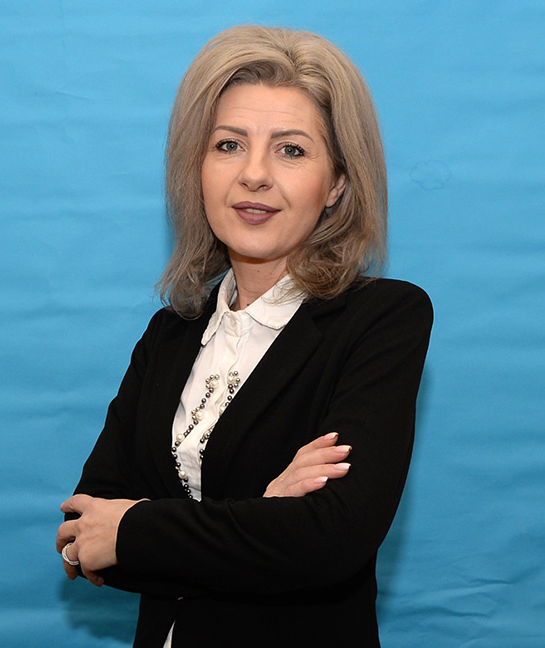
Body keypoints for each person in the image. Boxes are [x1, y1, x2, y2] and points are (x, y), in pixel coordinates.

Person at [56, 25, 433, 648]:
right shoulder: (170, 334)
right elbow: (83, 534)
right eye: (229, 145)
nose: (254, 175)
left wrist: (137, 532)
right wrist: (265, 509)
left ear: (337, 183)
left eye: (291, 150)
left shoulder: (381, 319)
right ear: (198, 168)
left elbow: (330, 543)